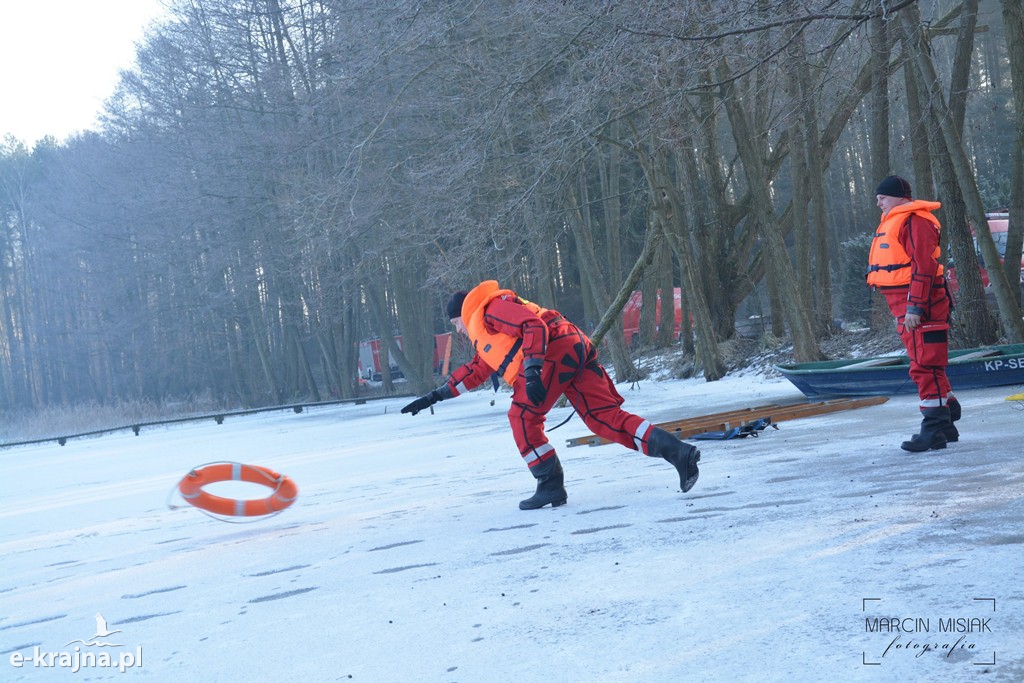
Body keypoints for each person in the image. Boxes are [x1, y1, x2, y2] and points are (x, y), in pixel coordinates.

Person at [401, 280, 701, 509]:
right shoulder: (487, 334)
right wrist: (435, 396)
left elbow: (533, 326)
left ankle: (549, 484)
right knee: (603, 419)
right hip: (572, 346)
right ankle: (679, 453)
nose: (459, 332)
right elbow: (475, 371)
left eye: (456, 325)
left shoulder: (490, 309)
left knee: (522, 417)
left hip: (552, 350)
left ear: (463, 315)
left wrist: (531, 368)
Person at [867, 175, 961, 452]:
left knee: (923, 366)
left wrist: (915, 306)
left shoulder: (915, 220)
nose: (878, 202)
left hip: (922, 303)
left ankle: (933, 428)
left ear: (899, 197)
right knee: (928, 363)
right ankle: (946, 420)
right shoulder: (898, 219)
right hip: (906, 302)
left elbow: (924, 266)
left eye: (883, 197)